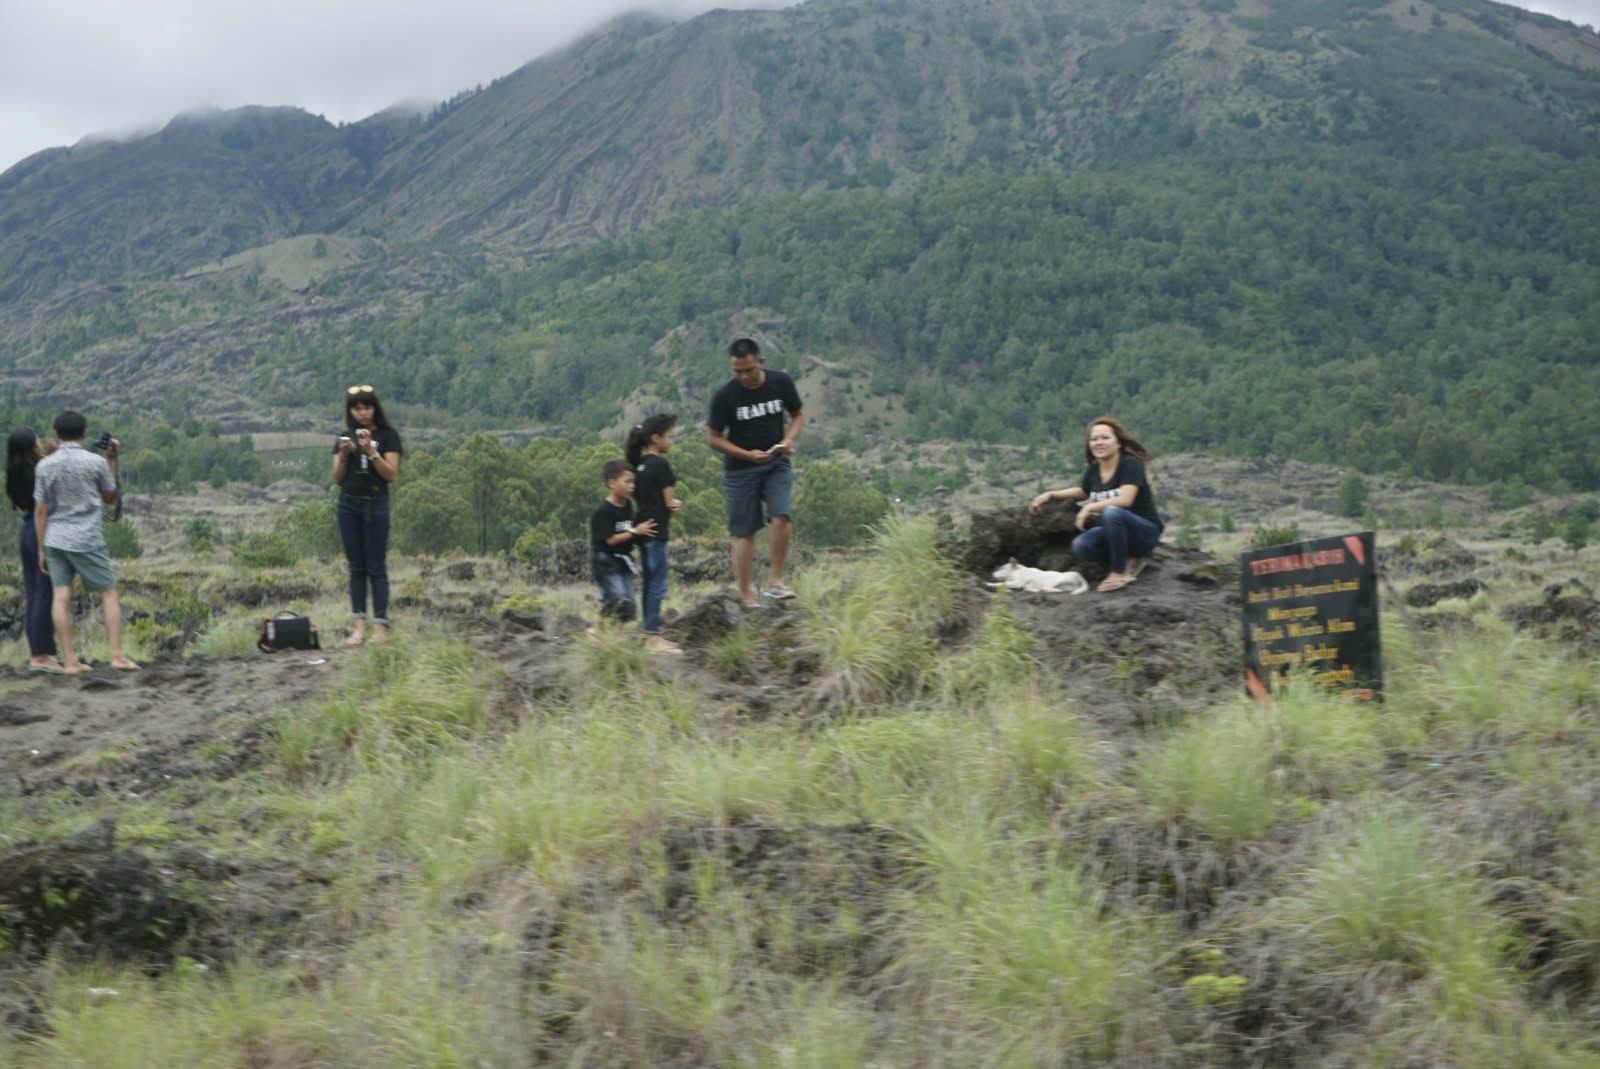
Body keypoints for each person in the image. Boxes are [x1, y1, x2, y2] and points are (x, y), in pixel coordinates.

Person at [32, 411, 138, 673]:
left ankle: (70, 662)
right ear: (85, 433)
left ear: (56, 434)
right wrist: (111, 460)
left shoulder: (44, 466)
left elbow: (40, 510)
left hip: (56, 538)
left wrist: (41, 549)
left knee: (61, 597)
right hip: (88, 539)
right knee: (109, 594)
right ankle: (116, 655)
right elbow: (110, 499)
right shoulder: (95, 462)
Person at [706, 338, 805, 607]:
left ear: (760, 362)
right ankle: (746, 597)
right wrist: (747, 455)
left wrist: (788, 439)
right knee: (745, 532)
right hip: (740, 471)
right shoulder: (725, 396)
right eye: (737, 371)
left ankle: (775, 582)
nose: (744, 376)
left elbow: (797, 415)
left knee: (781, 516)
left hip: (776, 463)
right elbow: (714, 439)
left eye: (749, 369)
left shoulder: (780, 383)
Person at [1029, 416, 1163, 593]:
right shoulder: (1094, 471)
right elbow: (1082, 492)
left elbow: (1125, 500)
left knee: (1112, 513)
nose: (1099, 442)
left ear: (1118, 443)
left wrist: (1089, 507)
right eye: (1094, 439)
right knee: (1081, 546)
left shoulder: (1130, 464)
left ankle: (1119, 571)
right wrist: (1051, 494)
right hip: (1116, 534)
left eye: (1105, 438)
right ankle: (1129, 560)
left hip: (1144, 533)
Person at [331, 385, 403, 646]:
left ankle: (380, 630)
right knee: (356, 568)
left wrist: (371, 452)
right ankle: (358, 629)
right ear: (350, 410)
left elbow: (391, 475)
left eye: (367, 408)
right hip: (348, 505)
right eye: (357, 408)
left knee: (377, 567)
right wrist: (343, 455)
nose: (362, 413)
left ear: (375, 409)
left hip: (376, 504)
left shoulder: (388, 436)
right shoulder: (344, 437)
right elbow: (337, 479)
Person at [626, 413, 684, 655]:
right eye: (669, 437)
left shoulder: (637, 466)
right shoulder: (661, 465)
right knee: (658, 584)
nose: (672, 441)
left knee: (649, 583)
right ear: (656, 438)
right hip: (657, 532)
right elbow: (668, 504)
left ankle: (650, 633)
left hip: (641, 529)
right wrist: (675, 506)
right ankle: (652, 638)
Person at [7, 428, 62, 673]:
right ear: (32, 446)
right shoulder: (40, 469)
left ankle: (37, 653)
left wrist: (49, 457)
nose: (41, 442)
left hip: (27, 531)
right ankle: (41, 656)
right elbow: (48, 497)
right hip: (42, 532)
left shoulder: (16, 473)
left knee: (34, 594)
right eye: (38, 441)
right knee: (44, 595)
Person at [589, 458, 656, 638]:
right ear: (611, 483)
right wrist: (635, 532)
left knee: (629, 605)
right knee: (617, 599)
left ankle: (613, 639)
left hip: (623, 561)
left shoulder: (627, 506)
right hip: (605, 560)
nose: (632, 486)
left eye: (633, 481)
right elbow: (610, 540)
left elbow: (629, 530)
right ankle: (595, 630)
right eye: (627, 482)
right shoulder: (603, 511)